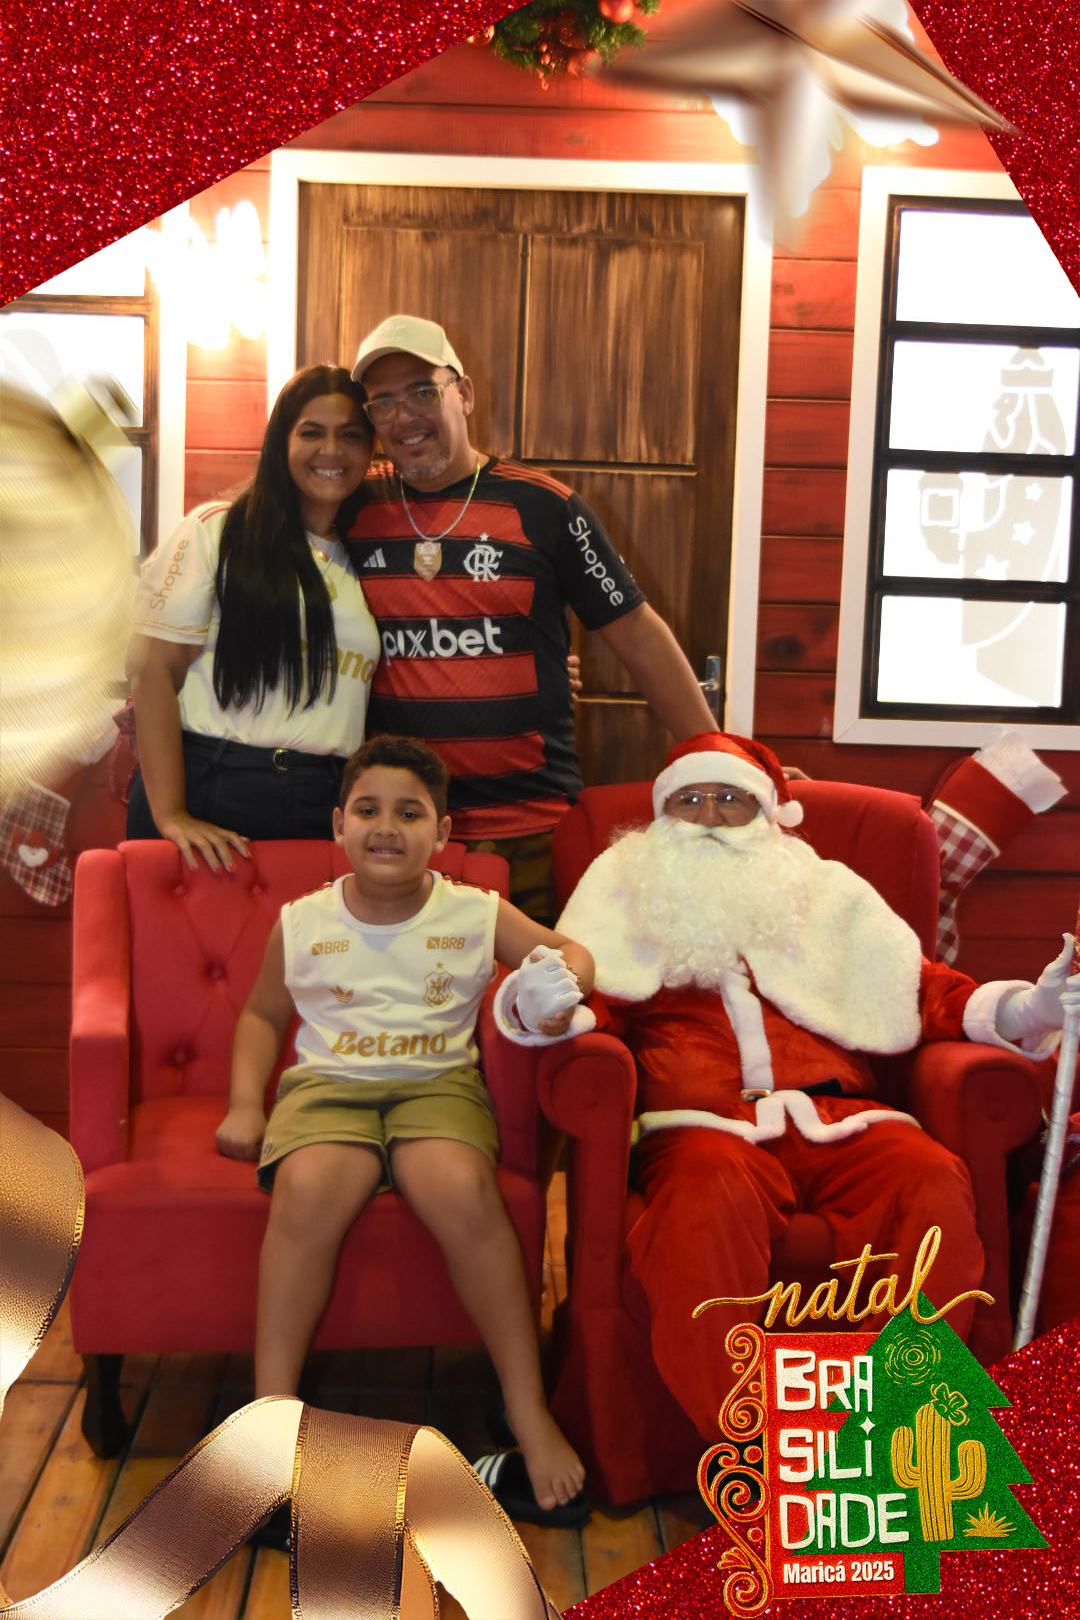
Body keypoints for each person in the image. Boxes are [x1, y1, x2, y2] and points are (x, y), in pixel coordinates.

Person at [555, 731, 1074, 1439]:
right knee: (702, 1205)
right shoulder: (624, 891)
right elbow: (585, 999)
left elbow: (921, 988)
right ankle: (753, 1445)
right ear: (663, 814)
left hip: (845, 1118)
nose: (708, 817)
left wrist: (1029, 1010)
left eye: (731, 799)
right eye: (690, 800)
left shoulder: (823, 891)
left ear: (767, 815)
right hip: (705, 1130)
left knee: (930, 1180)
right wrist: (544, 1003)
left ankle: (892, 1431)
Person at [215, 734, 594, 1524]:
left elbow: (569, 952)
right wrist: (246, 1102)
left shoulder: (474, 910)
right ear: (339, 825)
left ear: (443, 833)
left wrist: (562, 988)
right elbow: (261, 1015)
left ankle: (526, 1411)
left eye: (410, 813)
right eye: (368, 810)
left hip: (436, 1088)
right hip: (330, 1091)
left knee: (462, 1190)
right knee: (307, 1191)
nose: (387, 826)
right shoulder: (303, 920)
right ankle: (271, 1423)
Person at [343, 314, 719, 923]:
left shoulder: (545, 505)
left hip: (532, 832)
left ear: (464, 393)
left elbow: (637, 634)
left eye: (422, 391)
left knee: (544, 982)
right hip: (401, 836)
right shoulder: (354, 506)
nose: (404, 416)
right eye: (382, 402)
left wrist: (717, 753)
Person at [126, 365, 380, 871]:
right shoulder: (217, 531)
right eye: (311, 432)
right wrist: (171, 814)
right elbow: (151, 670)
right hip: (215, 783)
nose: (331, 450)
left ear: (371, 450)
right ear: (280, 442)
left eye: (350, 435)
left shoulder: (367, 556)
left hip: (327, 795)